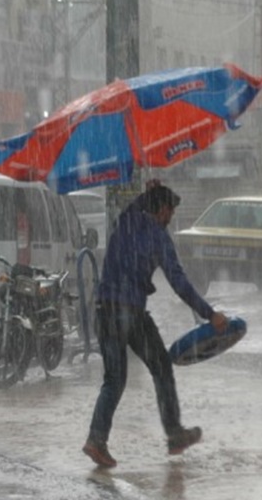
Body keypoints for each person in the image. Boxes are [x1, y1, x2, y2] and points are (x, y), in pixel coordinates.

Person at [82, 182, 228, 469]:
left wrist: (147, 194)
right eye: (170, 212)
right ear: (162, 209)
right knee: (161, 367)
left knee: (114, 380)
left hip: (104, 309)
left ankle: (96, 440)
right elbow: (179, 282)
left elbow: (134, 207)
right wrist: (210, 314)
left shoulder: (125, 221)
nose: (171, 218)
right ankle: (174, 434)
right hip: (131, 312)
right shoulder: (159, 237)